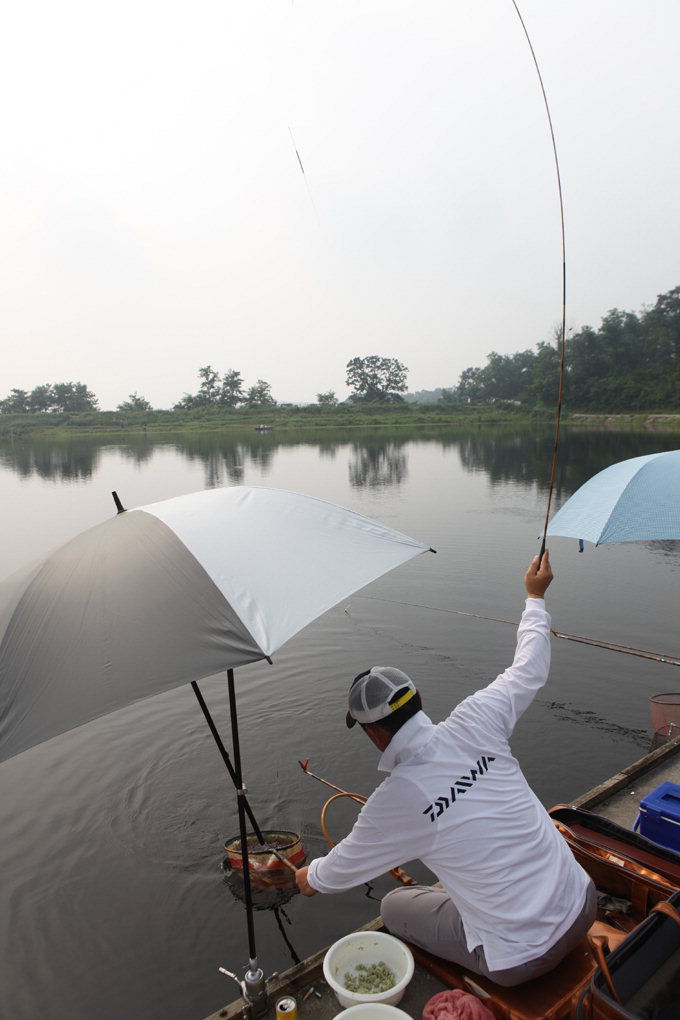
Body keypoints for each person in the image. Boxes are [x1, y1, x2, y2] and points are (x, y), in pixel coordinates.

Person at [295, 550, 596, 987]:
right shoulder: (478, 718)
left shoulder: (393, 802)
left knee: (395, 906)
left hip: (522, 959)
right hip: (583, 903)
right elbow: (529, 667)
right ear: (418, 698)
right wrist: (535, 597)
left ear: (374, 734)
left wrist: (307, 877)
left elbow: (338, 871)